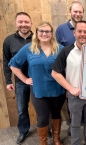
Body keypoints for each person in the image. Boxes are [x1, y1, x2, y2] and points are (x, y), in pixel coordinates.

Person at [9, 22, 66, 145]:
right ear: (37, 33)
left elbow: (69, 67)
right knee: (43, 118)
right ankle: (43, 143)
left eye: (47, 31)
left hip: (58, 89)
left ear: (52, 34)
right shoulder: (29, 48)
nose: (44, 34)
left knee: (56, 114)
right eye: (41, 31)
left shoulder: (60, 49)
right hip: (38, 90)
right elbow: (13, 65)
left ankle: (56, 140)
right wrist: (25, 80)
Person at [52, 20, 86, 145]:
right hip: (75, 95)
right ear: (74, 33)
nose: (82, 34)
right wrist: (70, 88)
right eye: (79, 31)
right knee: (75, 124)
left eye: (85, 32)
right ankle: (75, 143)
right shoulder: (66, 51)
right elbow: (55, 73)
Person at [3, 12, 33, 144]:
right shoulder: (9, 40)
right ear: (16, 23)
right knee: (21, 109)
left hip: (37, 81)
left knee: (43, 108)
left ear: (31, 23)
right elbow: (6, 61)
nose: (24, 25)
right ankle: (23, 131)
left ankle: (46, 128)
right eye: (20, 22)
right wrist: (8, 80)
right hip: (20, 82)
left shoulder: (38, 38)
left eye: (26, 22)